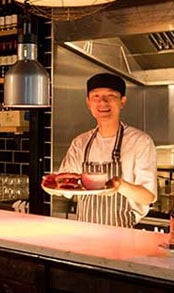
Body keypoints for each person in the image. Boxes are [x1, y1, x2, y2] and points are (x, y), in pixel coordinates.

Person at [59, 73, 157, 228]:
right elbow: (65, 188)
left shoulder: (140, 141)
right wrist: (54, 185)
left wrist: (120, 186)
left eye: (110, 96)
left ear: (122, 101)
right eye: (95, 96)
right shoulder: (80, 143)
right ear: (88, 102)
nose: (102, 102)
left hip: (124, 235)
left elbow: (148, 197)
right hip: (84, 233)